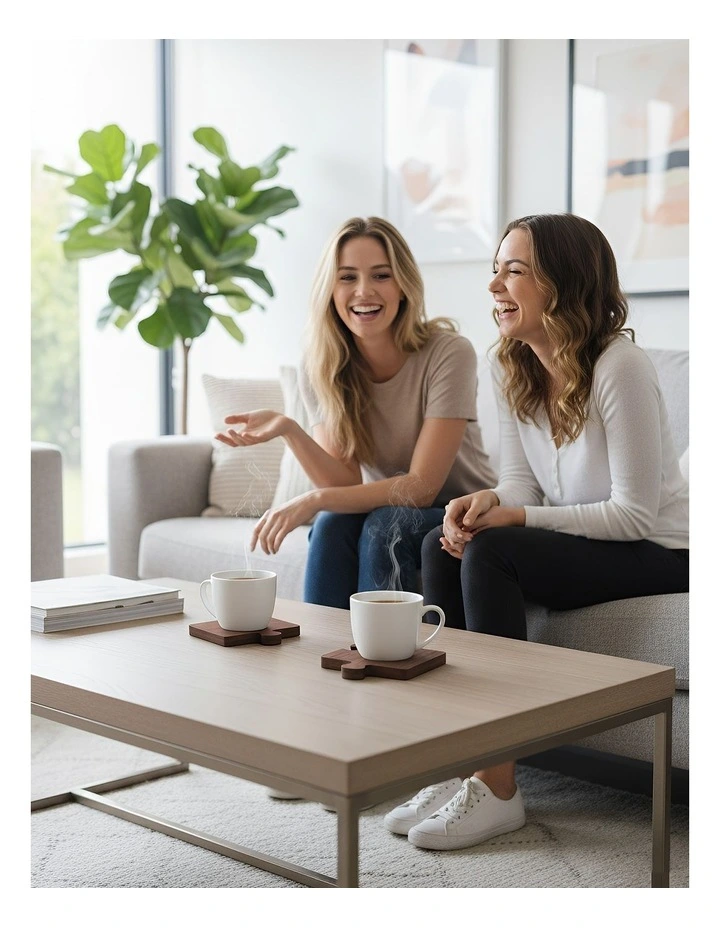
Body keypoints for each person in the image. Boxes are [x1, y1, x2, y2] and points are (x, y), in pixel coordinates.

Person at [383, 212, 689, 851]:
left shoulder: (619, 366)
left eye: (514, 271)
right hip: (598, 540)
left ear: (564, 283)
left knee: (494, 551)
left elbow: (631, 512)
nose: (495, 285)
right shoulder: (512, 367)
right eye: (495, 269)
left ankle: (498, 785)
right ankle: (458, 760)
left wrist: (512, 517)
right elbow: (521, 488)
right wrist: (481, 503)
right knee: (443, 544)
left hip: (663, 550)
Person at [215, 215, 495, 610]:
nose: (364, 291)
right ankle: (323, 658)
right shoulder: (323, 365)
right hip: (387, 506)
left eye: (381, 275)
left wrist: (312, 500)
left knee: (383, 524)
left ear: (403, 284)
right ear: (329, 289)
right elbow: (344, 481)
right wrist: (290, 430)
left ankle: (383, 658)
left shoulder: (448, 353)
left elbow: (420, 488)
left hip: (459, 512)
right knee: (332, 525)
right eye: (347, 277)